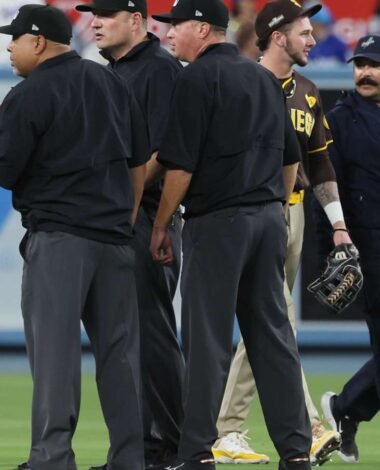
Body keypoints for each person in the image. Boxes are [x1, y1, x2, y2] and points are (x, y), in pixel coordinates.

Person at [0, 4, 149, 469]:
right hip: (116, 239)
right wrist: (128, 216)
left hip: (62, 240)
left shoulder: (31, 91)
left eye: (15, 38)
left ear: (37, 41)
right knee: (120, 357)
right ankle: (130, 459)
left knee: (55, 357)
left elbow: (0, 171)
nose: (8, 46)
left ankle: (52, 459)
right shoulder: (111, 82)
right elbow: (139, 161)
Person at [149, 0, 311, 468]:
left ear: (201, 29)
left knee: (207, 342)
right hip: (265, 219)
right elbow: (290, 155)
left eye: (175, 26)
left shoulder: (195, 78)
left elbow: (180, 166)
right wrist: (277, 209)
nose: (169, 34)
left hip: (219, 222)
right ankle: (296, 452)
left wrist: (161, 224)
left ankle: (196, 452)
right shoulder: (263, 77)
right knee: (274, 338)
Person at [211, 1, 347, 466]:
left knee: (266, 324)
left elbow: (320, 164)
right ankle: (306, 426)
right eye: (304, 32)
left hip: (294, 216)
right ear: (277, 35)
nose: (313, 40)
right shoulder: (242, 83)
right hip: (252, 214)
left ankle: (228, 429)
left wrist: (340, 227)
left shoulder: (308, 91)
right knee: (278, 320)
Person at [75, 0, 184, 468]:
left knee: (151, 333)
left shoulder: (158, 69)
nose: (94, 22)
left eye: (106, 15)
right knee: (123, 338)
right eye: (92, 15)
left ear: (136, 21)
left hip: (145, 218)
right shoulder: (109, 71)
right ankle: (137, 452)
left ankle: (183, 447)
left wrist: (131, 201)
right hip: (114, 216)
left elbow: (164, 150)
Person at [320, 34, 380, 465]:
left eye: (374, 64)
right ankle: (346, 409)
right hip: (369, 244)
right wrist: (336, 248)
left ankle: (346, 409)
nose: (366, 72)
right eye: (360, 63)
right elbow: (329, 184)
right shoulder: (340, 117)